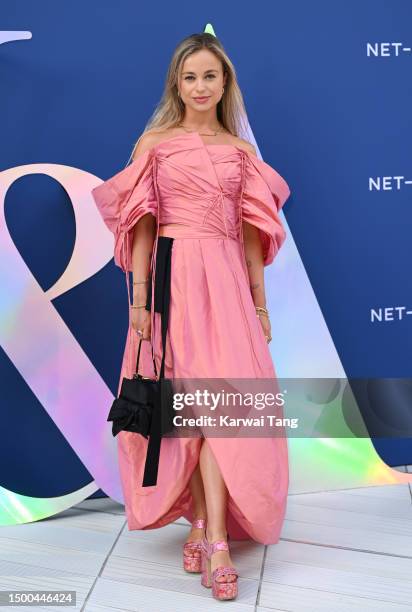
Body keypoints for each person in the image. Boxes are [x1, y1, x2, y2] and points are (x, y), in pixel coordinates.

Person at [91, 32, 291, 602]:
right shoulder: (154, 142)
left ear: (225, 83)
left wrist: (259, 303)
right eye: (190, 77)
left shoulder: (241, 152)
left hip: (225, 283)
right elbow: (143, 224)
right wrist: (139, 301)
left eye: (210, 76)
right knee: (190, 409)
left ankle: (213, 531)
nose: (201, 87)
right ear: (176, 85)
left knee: (222, 407)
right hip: (173, 281)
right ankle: (209, 532)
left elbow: (253, 231)